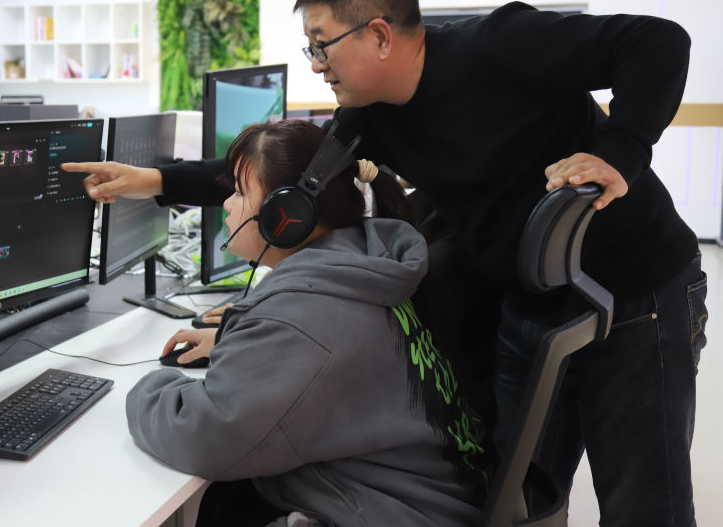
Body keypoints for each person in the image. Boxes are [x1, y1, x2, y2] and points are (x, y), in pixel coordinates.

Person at [64, 0, 708, 525]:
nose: (317, 65)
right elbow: (281, 182)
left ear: (378, 34)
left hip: (638, 288)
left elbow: (657, 41)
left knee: (643, 502)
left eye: (321, 45)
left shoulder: (499, 45)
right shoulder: (370, 116)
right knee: (521, 496)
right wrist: (154, 180)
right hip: (529, 300)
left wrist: (619, 153)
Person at [123, 119, 493, 527]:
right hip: (431, 499)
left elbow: (205, 437)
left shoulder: (306, 315)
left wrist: (150, 387)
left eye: (240, 192)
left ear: (287, 215)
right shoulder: (366, 264)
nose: (227, 204)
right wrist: (242, 336)